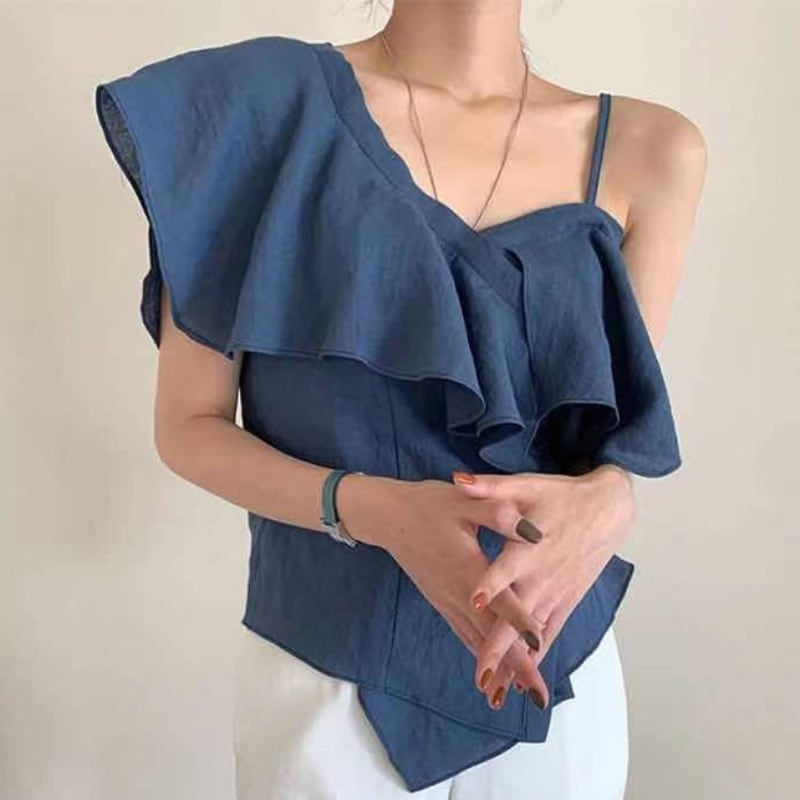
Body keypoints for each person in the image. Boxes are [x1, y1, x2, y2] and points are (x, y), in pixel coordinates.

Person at [94, 1, 707, 798]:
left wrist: (615, 499)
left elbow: (615, 445)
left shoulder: (654, 151)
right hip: (324, 694)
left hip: (559, 688)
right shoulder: (253, 107)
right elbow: (187, 426)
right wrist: (374, 510)